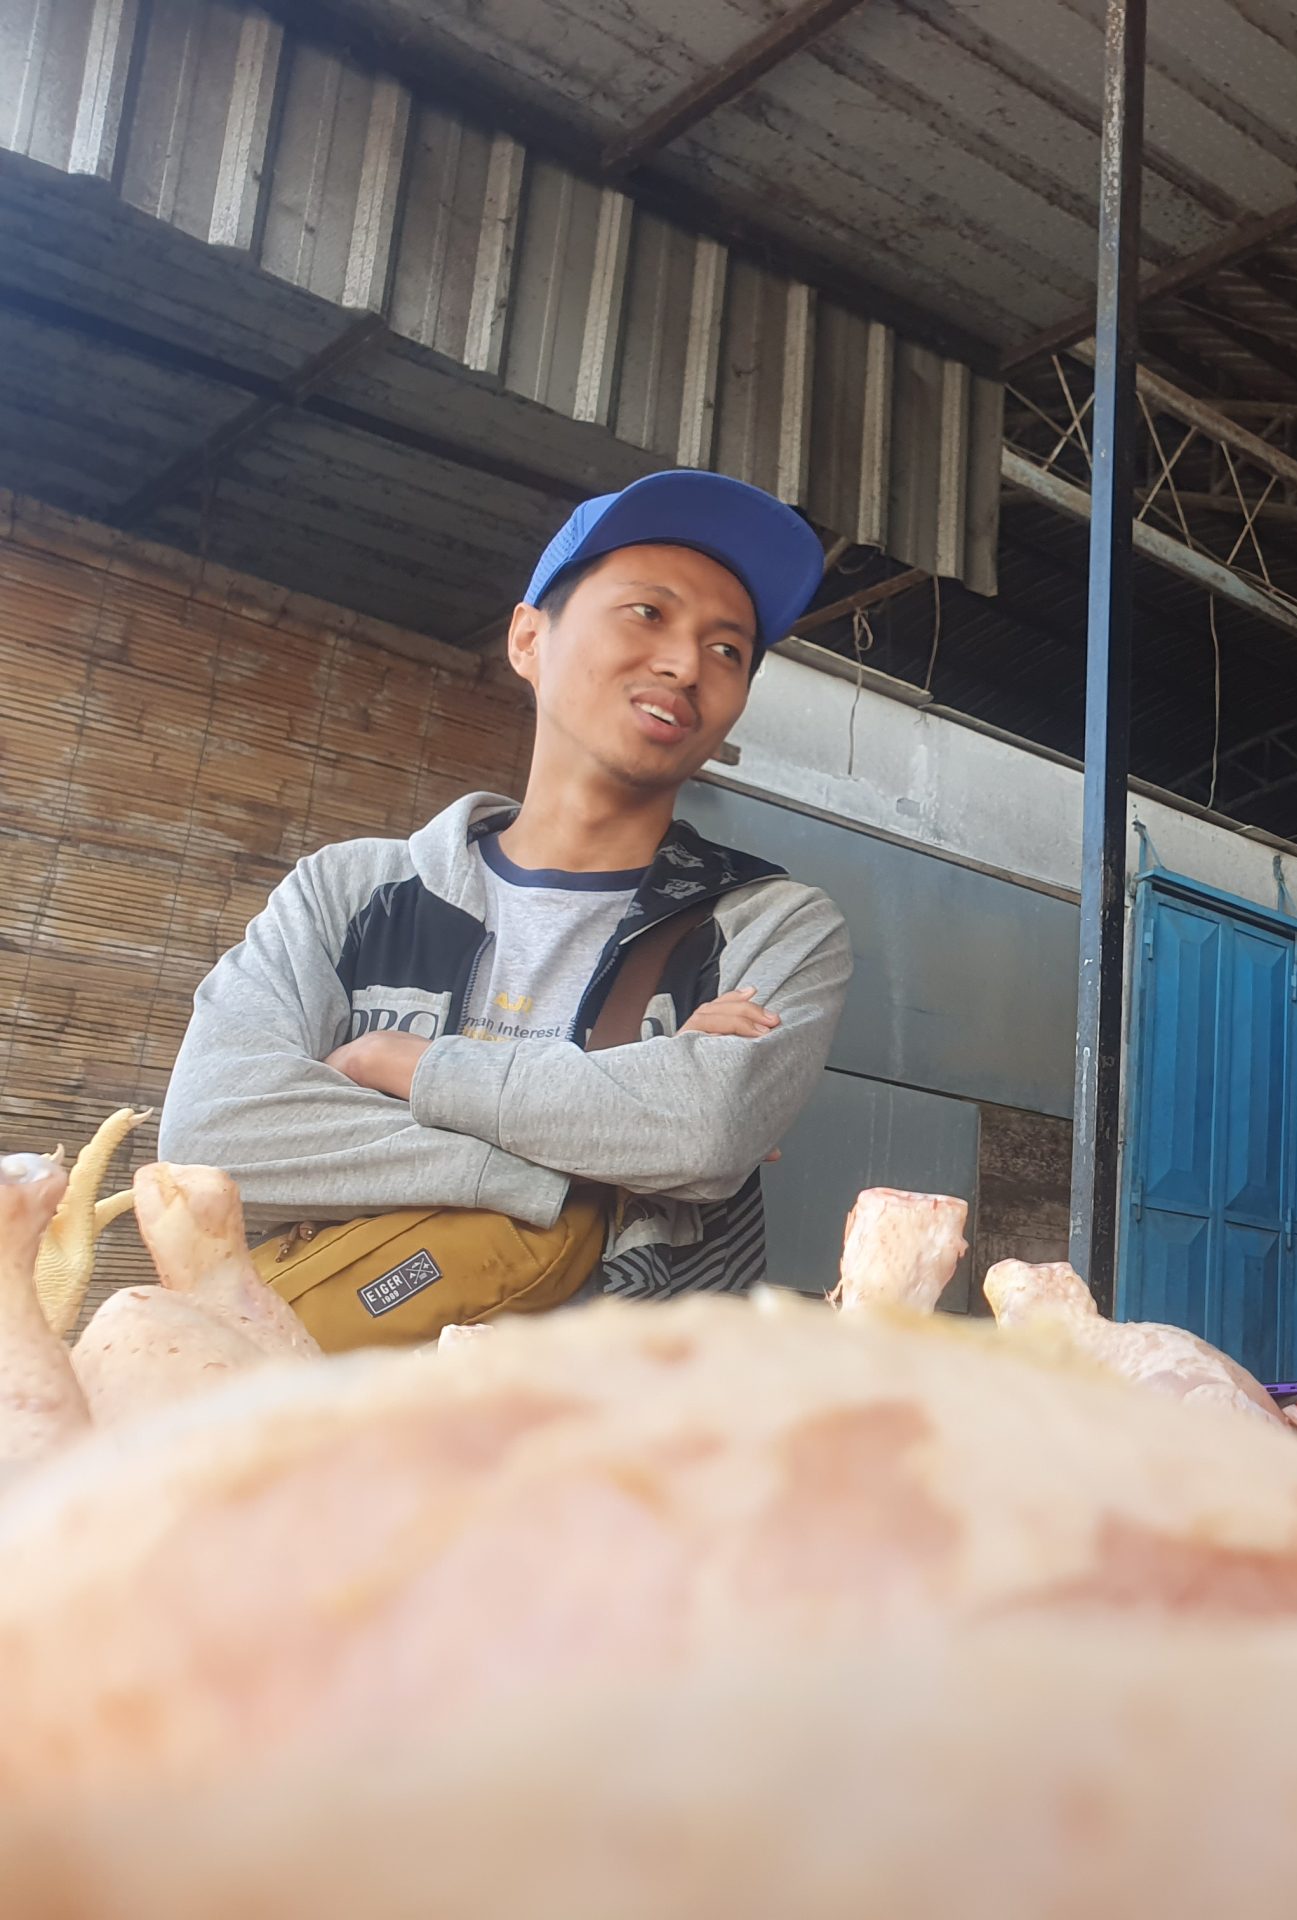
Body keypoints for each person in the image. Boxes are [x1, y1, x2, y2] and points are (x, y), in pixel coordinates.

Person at [163, 470, 852, 1317]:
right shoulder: (348, 892)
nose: (684, 665)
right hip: (329, 1388)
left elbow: (706, 1130)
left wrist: (400, 1065)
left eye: (727, 651)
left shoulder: (770, 924)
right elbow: (212, 1137)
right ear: (528, 638)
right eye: (648, 612)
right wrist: (597, 1160)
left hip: (626, 1398)